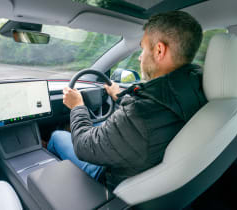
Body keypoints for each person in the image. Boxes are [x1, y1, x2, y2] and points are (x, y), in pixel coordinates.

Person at [47, 10, 207, 190]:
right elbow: (144, 116)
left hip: (114, 178)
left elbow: (84, 146)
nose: (140, 57)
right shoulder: (197, 86)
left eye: (143, 48)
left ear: (159, 50)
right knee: (98, 126)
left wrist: (77, 106)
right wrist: (119, 95)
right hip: (149, 168)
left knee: (57, 136)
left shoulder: (141, 113)